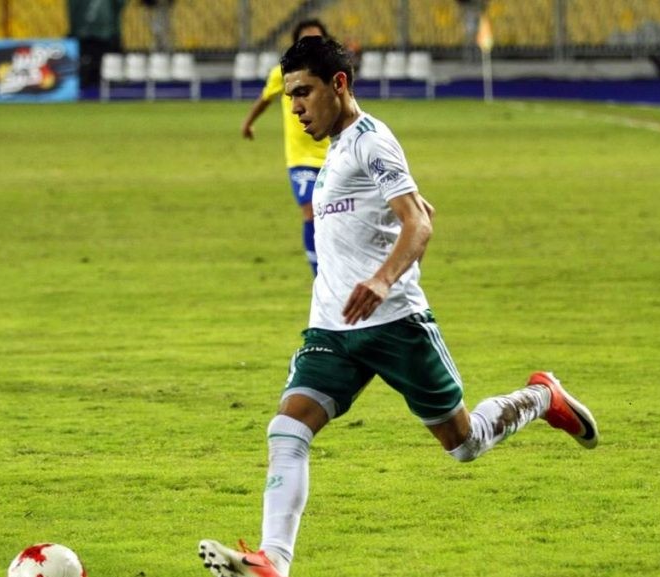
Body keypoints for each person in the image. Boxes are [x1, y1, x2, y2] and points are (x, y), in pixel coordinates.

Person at [198, 36, 599, 577]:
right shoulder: (335, 149)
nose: (294, 108)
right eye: (290, 96)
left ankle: (541, 395)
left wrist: (385, 279)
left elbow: (419, 222)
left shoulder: (371, 140)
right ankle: (272, 561)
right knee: (287, 428)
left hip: (395, 324)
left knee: (462, 443)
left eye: (304, 93)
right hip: (332, 328)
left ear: (339, 84)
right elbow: (412, 211)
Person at [240, 19, 331, 277]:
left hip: (332, 154)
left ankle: (337, 269)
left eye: (316, 39)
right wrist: (248, 123)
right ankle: (319, 275)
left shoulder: (330, 73)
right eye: (306, 40)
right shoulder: (283, 73)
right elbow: (265, 99)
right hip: (300, 158)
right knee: (311, 210)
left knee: (334, 214)